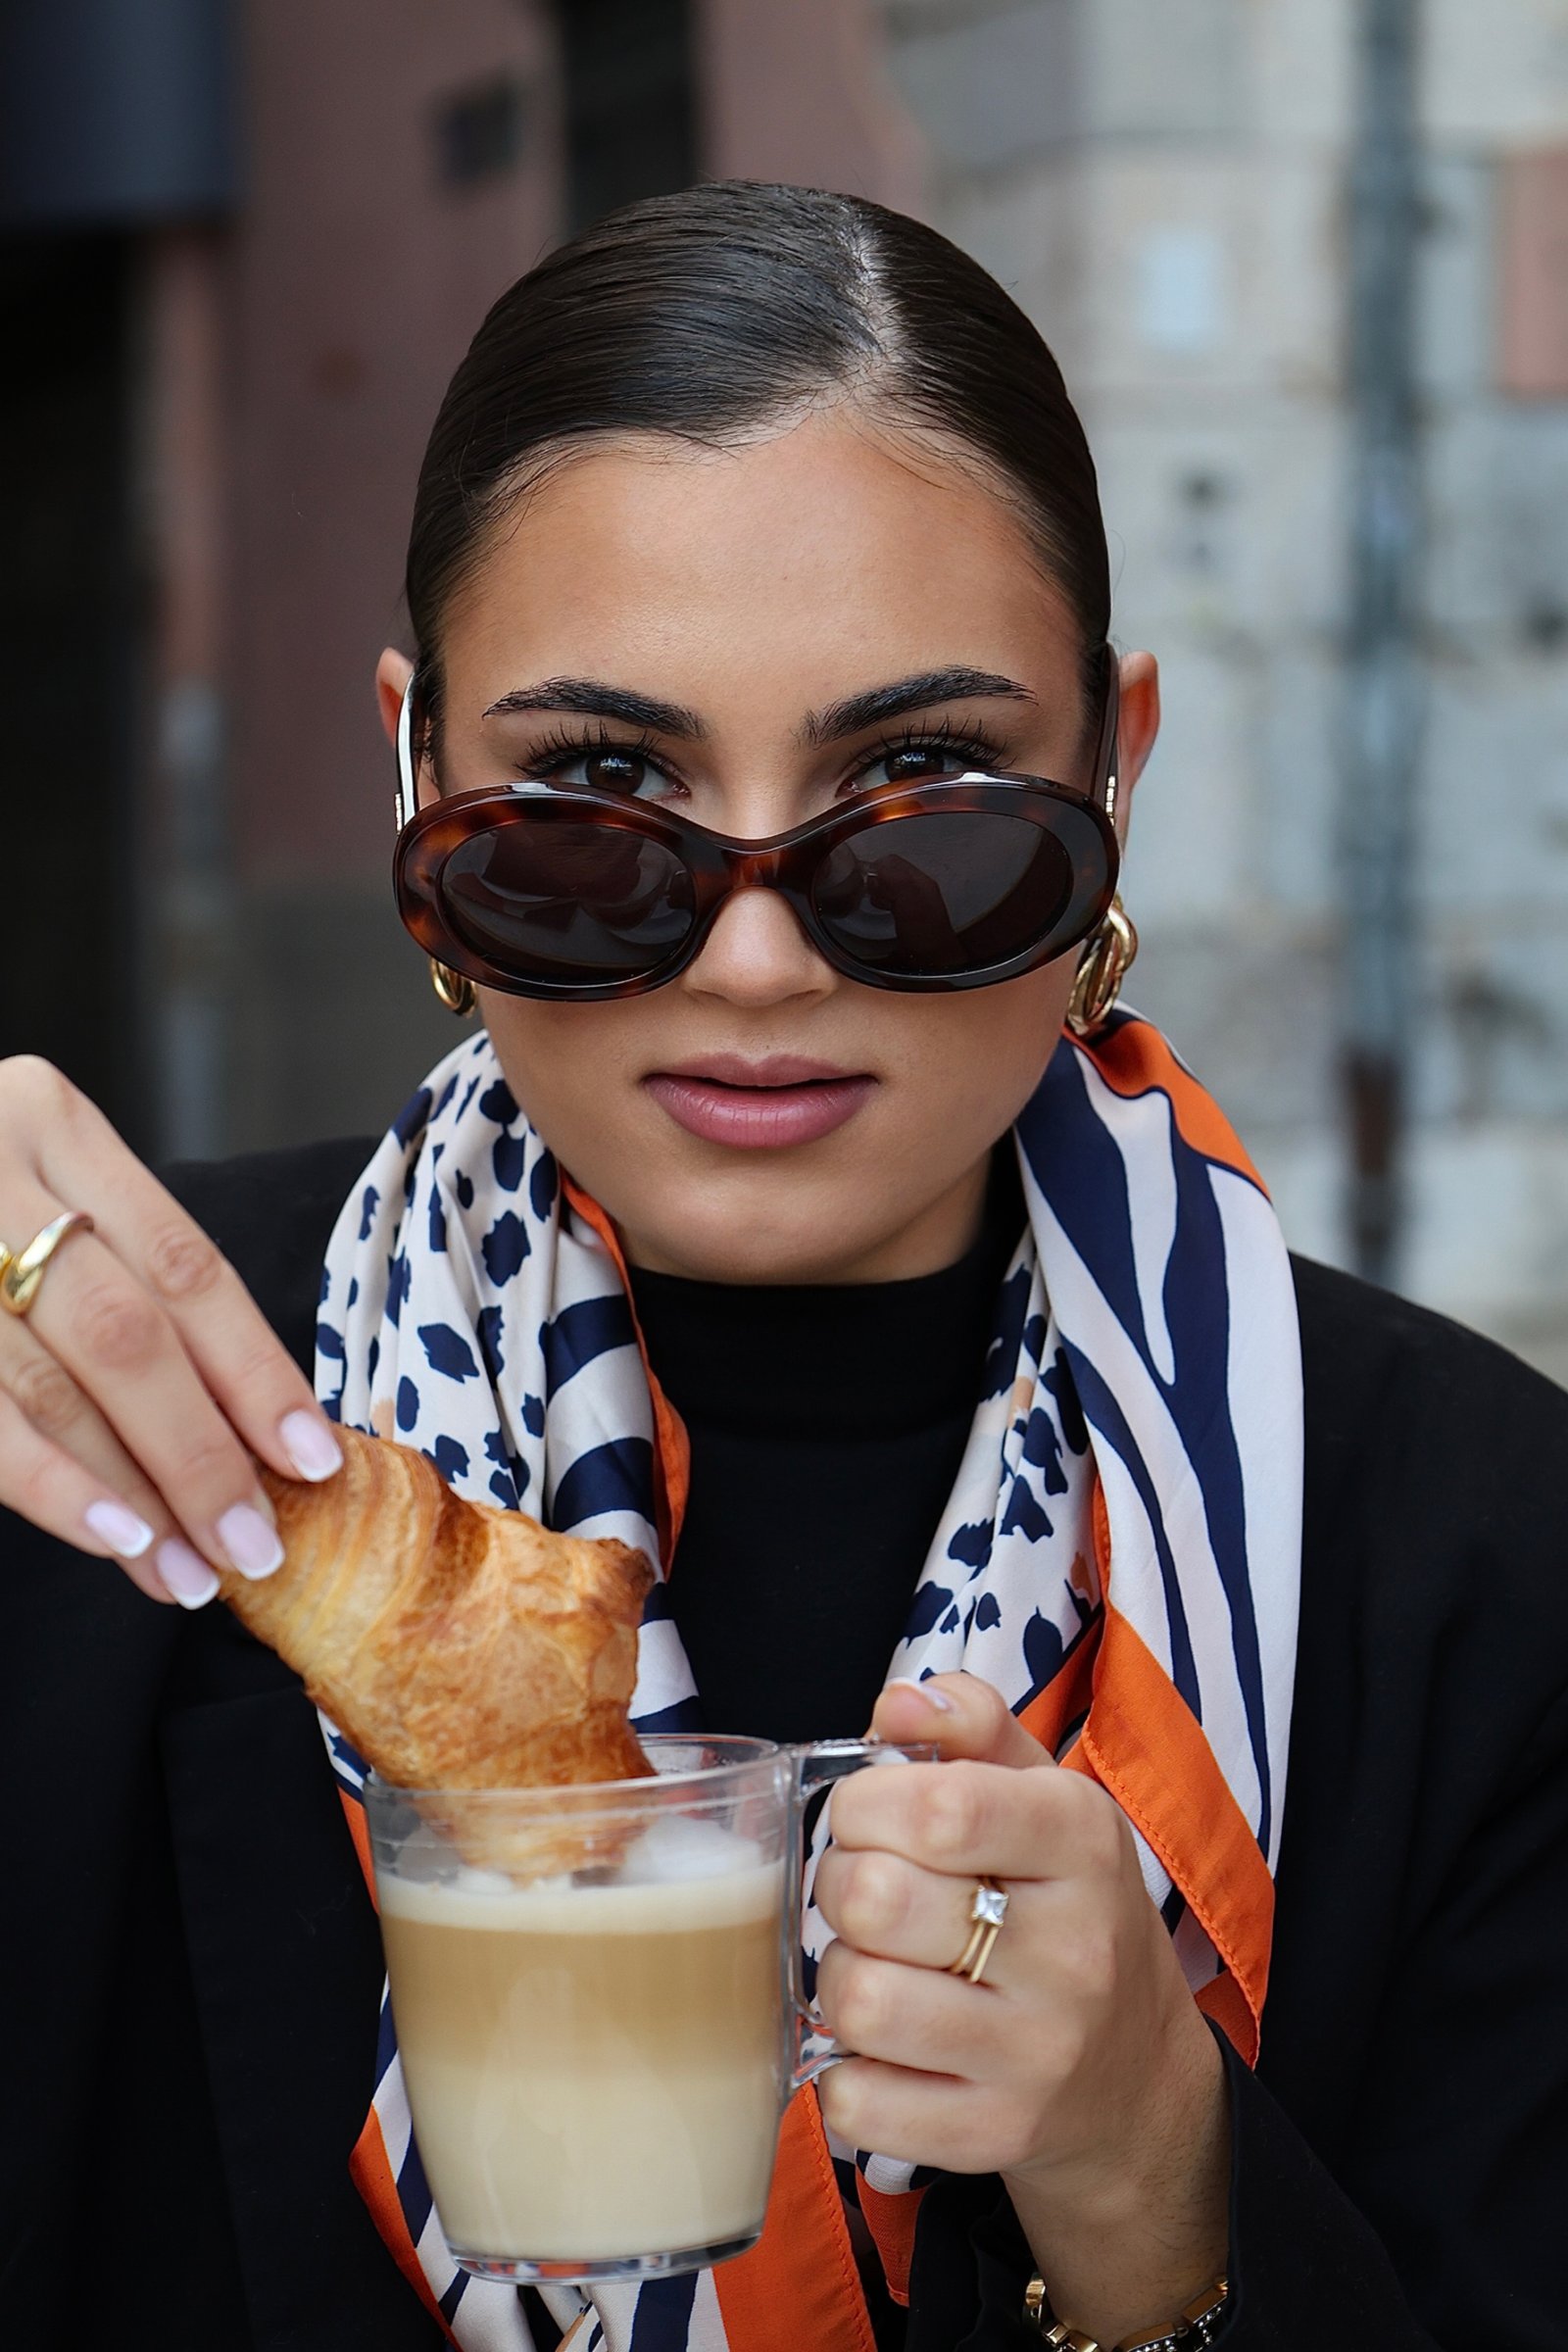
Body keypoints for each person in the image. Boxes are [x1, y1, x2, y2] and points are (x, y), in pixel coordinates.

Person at [1, 182, 1564, 2352]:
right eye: (589, 797)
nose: (751, 957)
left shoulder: (1472, 1544)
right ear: (409, 769)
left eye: (919, 798)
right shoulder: (111, 1425)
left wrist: (1147, 2173)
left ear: (1115, 768)